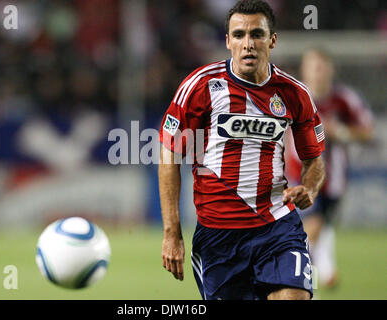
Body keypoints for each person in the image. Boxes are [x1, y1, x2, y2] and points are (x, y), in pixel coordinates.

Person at [158, 0, 326, 300]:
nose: (247, 44)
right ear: (227, 41)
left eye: (257, 34)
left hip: (277, 227)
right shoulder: (200, 87)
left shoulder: (294, 93)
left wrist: (310, 188)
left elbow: (315, 159)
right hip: (218, 236)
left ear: (272, 40)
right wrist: (172, 233)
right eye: (238, 35)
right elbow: (169, 156)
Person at [284, 48, 373, 289]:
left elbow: (367, 131)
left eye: (321, 66)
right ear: (304, 69)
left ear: (331, 69)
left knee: (320, 225)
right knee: (311, 226)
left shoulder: (343, 100)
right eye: (312, 66)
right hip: (296, 176)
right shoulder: (291, 97)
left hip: (333, 180)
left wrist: (340, 132)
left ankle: (320, 271)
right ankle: (300, 280)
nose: (317, 71)